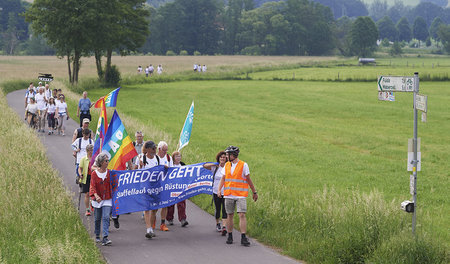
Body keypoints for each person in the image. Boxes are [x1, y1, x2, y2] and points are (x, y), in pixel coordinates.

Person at [218, 146, 258, 247]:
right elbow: (223, 178)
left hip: (240, 195)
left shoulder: (243, 165)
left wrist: (254, 192)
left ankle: (243, 237)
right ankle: (230, 235)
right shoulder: (227, 165)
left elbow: (248, 179)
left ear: (234, 155)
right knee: (229, 215)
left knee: (242, 215)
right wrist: (219, 190)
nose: (226, 156)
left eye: (228, 154)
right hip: (229, 194)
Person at [136, 141, 161, 239]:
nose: (155, 150)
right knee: (147, 208)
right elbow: (137, 173)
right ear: (148, 149)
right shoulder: (142, 158)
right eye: (153, 148)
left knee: (154, 209)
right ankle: (148, 229)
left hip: (155, 187)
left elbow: (161, 169)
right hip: (145, 187)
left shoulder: (157, 158)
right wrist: (141, 166)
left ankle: (151, 227)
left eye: (155, 148)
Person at [90, 153, 113, 246]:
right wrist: (96, 195)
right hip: (97, 200)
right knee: (97, 218)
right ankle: (97, 235)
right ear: (101, 162)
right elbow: (92, 186)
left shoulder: (110, 173)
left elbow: (115, 184)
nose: (108, 162)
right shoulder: (94, 174)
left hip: (107, 198)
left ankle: (105, 237)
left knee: (106, 217)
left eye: (108, 160)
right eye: (106, 161)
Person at [204, 151, 228, 235]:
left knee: (225, 210)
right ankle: (218, 223)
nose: (222, 158)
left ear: (226, 159)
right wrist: (214, 164)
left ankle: (224, 227)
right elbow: (204, 166)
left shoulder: (228, 167)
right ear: (218, 158)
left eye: (224, 157)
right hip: (216, 191)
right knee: (218, 209)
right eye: (221, 157)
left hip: (226, 192)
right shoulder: (216, 168)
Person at [150, 141, 172, 232]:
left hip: (165, 184)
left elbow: (172, 170)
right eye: (164, 150)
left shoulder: (168, 157)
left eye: (166, 150)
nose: (165, 152)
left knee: (165, 205)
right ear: (159, 149)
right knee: (155, 207)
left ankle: (163, 224)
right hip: (156, 185)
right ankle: (153, 222)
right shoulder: (154, 158)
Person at [166, 151, 188, 227]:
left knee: (181, 204)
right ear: (173, 158)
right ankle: (169, 218)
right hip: (172, 187)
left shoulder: (183, 165)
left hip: (181, 187)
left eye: (179, 156)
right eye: (176, 156)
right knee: (171, 204)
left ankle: (183, 219)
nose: (178, 158)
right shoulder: (170, 166)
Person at [78, 144, 94, 216]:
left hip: (94, 178)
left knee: (93, 194)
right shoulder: (83, 159)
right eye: (90, 150)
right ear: (87, 151)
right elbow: (80, 168)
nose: (91, 152)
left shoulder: (95, 159)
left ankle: (92, 204)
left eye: (92, 150)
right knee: (87, 194)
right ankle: (87, 209)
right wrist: (80, 174)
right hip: (86, 178)